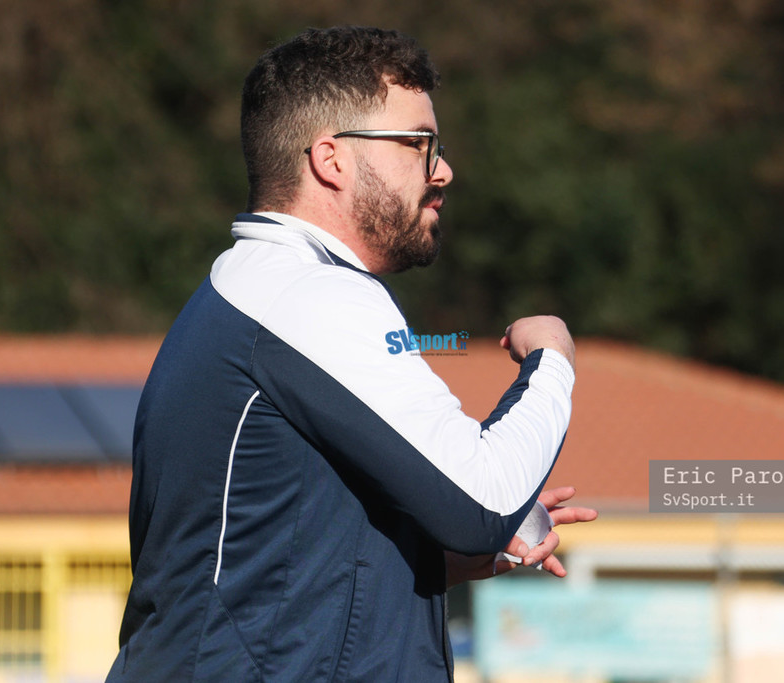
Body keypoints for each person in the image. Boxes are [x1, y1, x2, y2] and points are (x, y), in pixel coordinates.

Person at [106, 25, 595, 682]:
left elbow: (280, 563)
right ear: (331, 159)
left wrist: (438, 558)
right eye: (418, 144)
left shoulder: (254, 289)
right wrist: (553, 358)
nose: (443, 169)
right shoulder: (305, 294)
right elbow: (483, 499)